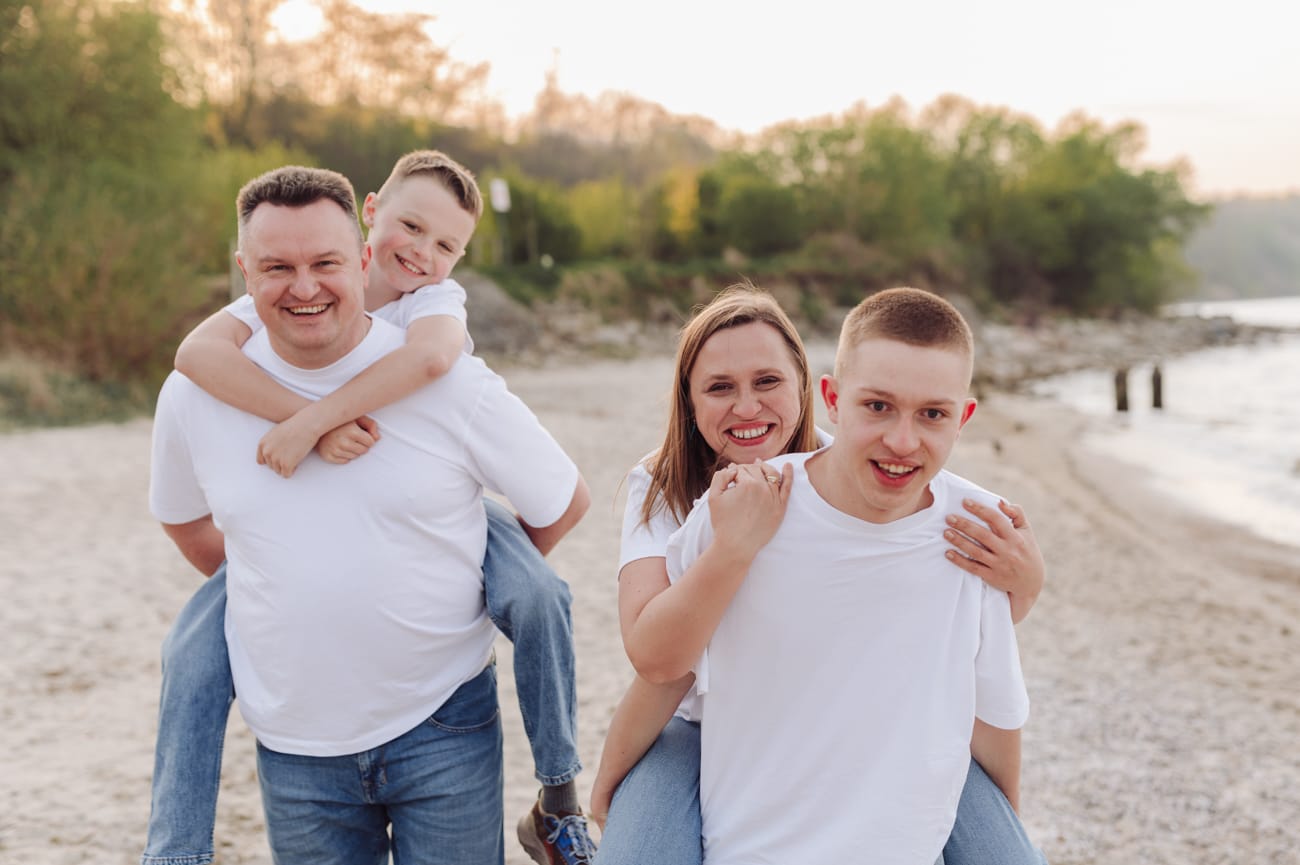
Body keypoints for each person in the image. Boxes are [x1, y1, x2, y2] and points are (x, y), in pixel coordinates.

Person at [143, 151, 597, 865]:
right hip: (296, 747)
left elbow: (560, 499)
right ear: (245, 271)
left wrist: (457, 573)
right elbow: (182, 507)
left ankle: (560, 797)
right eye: (277, 267)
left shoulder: (438, 344)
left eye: (325, 264)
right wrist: (273, 579)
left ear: (357, 258)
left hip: (443, 725)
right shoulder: (202, 387)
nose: (303, 287)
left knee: (537, 595)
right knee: (191, 654)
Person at [589, 285, 1046, 864]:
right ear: (690, 402)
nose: (748, 407)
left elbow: (946, 629)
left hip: (856, 742)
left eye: (767, 382)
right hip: (697, 725)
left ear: (809, 389)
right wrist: (734, 549)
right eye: (720, 388)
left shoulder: (868, 466)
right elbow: (660, 665)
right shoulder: (666, 490)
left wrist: (1026, 581)